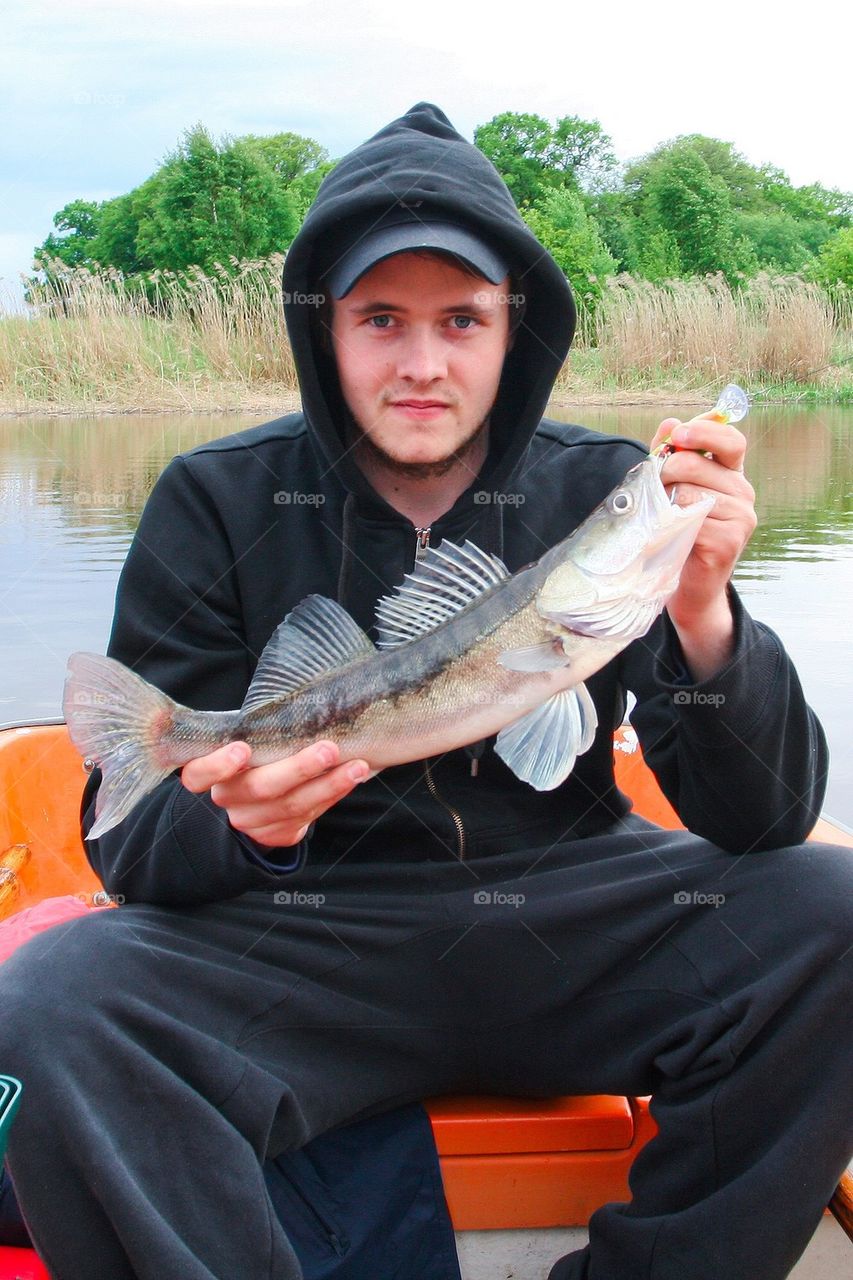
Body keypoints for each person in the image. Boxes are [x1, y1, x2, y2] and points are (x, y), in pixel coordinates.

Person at [0, 102, 851, 1280]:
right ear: (325, 331)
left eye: (461, 319)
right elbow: (136, 849)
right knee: (45, 1005)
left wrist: (704, 616)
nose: (421, 363)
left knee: (836, 911)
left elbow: (760, 816)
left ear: (515, 329)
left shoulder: (609, 493)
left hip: (573, 921)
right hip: (308, 947)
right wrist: (246, 829)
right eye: (379, 319)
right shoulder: (214, 498)